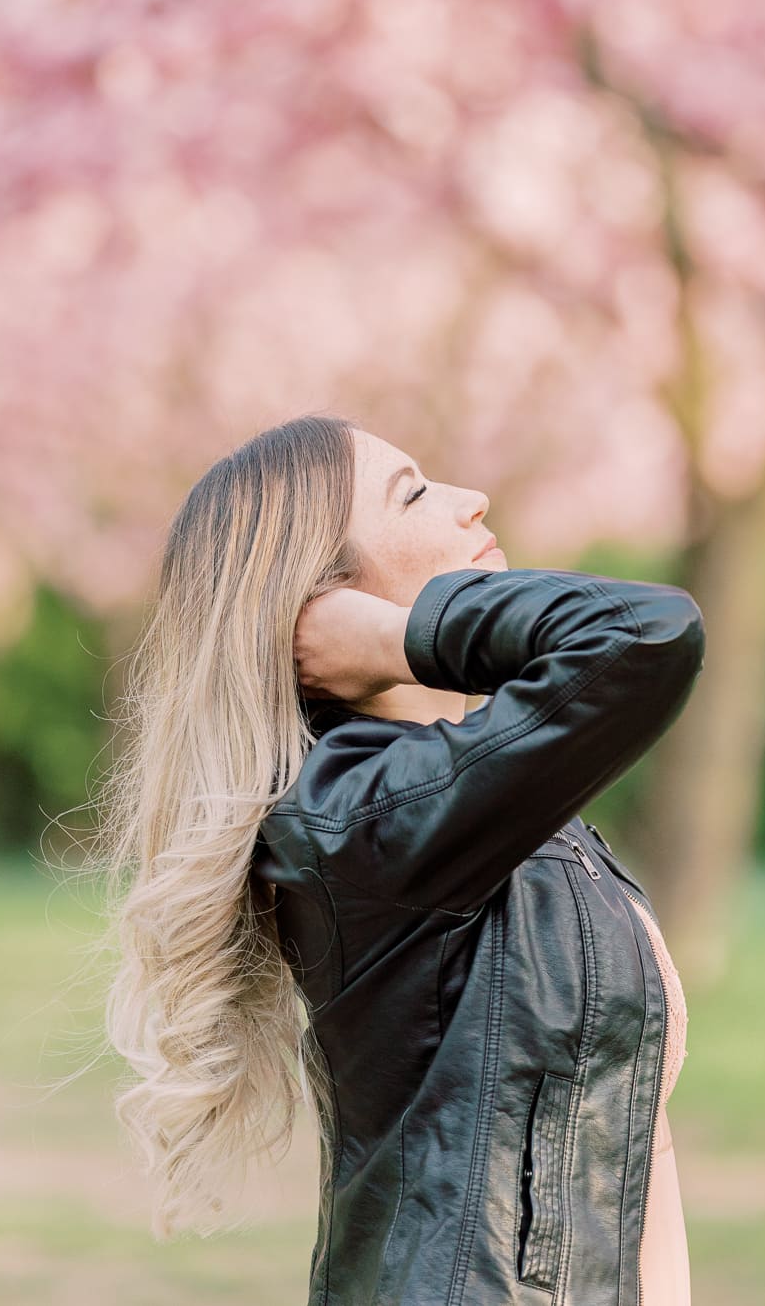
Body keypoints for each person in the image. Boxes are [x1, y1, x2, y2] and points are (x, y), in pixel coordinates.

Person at [100, 412, 706, 1305]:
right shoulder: (355, 819)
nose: (473, 499)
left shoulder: (476, 795)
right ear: (321, 600)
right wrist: (393, 635)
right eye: (414, 492)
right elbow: (646, 635)